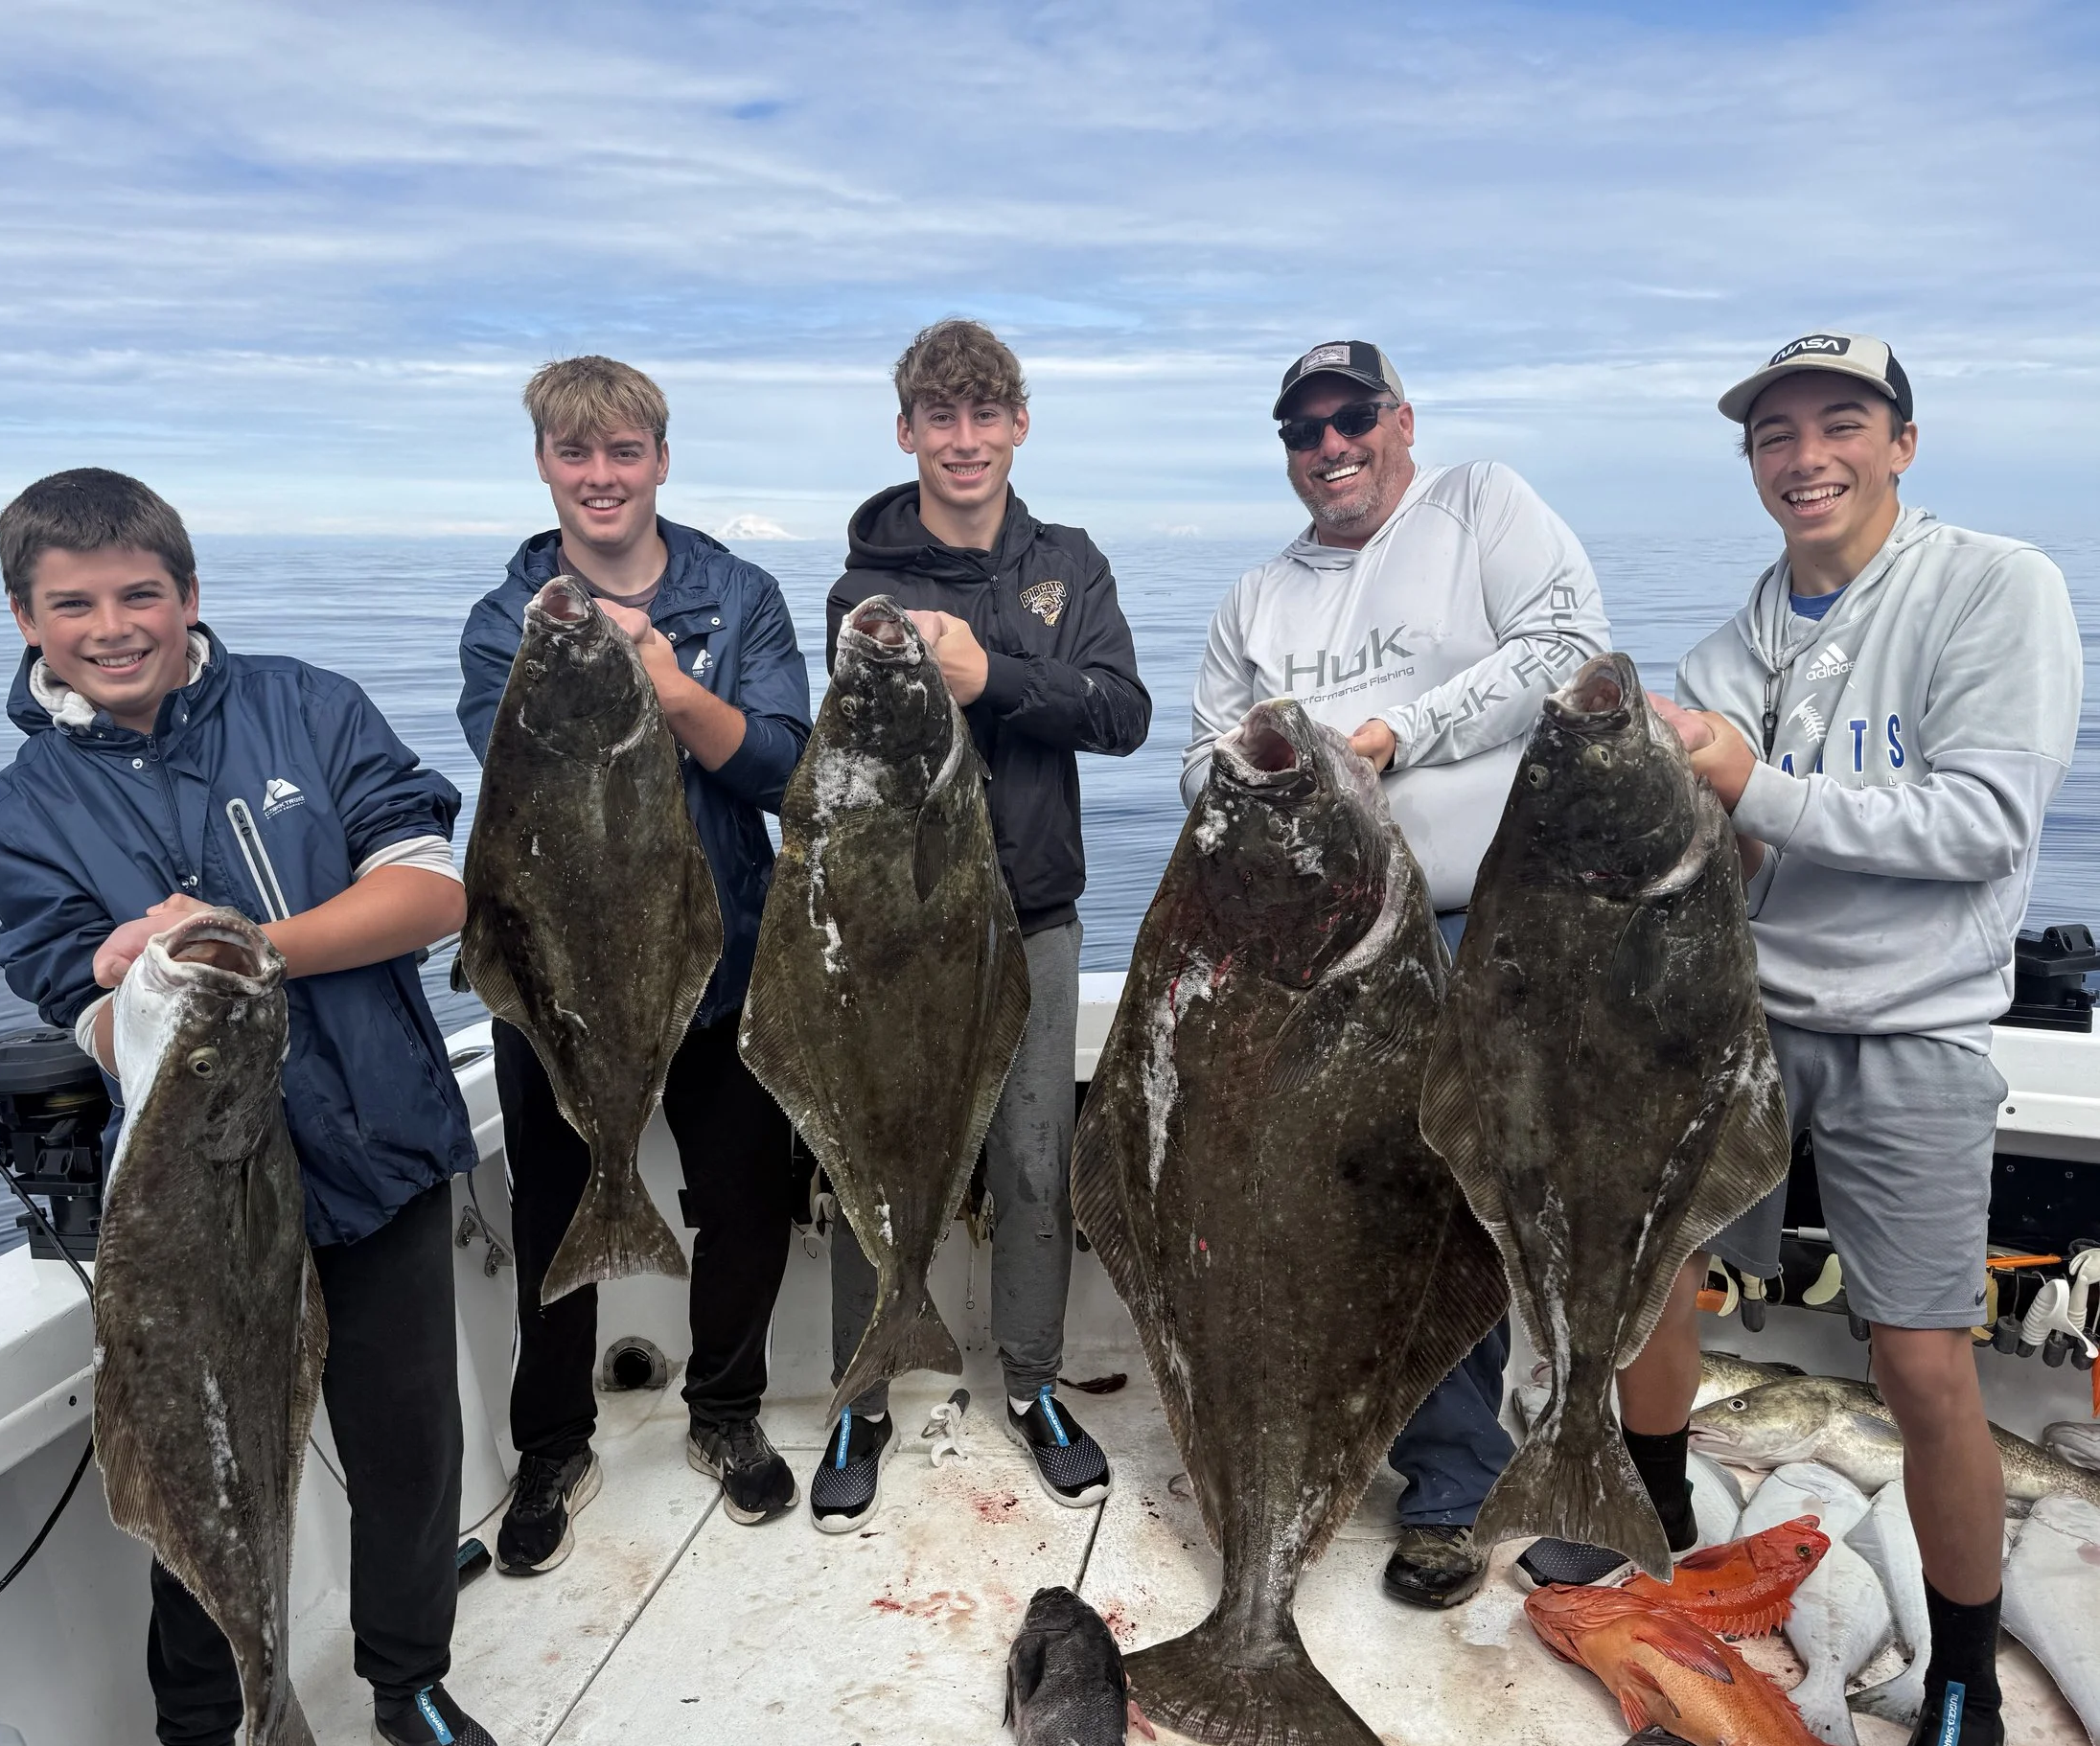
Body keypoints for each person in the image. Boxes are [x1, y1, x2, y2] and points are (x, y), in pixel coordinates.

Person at [0, 469, 506, 1746]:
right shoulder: (20, 807)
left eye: (139, 591)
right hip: (188, 1199)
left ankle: (409, 1676)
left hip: (374, 1147)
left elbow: (431, 886)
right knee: (199, 1463)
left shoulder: (309, 706)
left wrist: (243, 945)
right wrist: (131, 987)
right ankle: (210, 1727)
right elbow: (75, 1009)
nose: (112, 623)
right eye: (73, 601)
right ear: (27, 618)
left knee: (406, 1438)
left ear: (188, 594)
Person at [1617, 333, 2080, 1746]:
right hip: (1740, 1020)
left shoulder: (1996, 588)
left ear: (1903, 442)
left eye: (1839, 424)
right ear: (1750, 462)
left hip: (1913, 1027)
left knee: (1924, 1354)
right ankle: (1648, 1545)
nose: (1805, 454)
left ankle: (1964, 1681)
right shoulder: (1732, 642)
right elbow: (1711, 827)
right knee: (1648, 1281)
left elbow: (1982, 824)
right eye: (1774, 435)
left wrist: (1756, 787)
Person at [1183, 339, 1612, 1608]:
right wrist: (1267, 772)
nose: (1330, 446)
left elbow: (1570, 646)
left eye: (1350, 417)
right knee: (1322, 1205)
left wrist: (1390, 735)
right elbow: (1203, 778)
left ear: (1400, 420)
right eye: (1303, 430)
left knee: (1456, 1199)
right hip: (1311, 954)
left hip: (1481, 926)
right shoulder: (1254, 595)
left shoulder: (1479, 505)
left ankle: (1452, 1479)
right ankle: (1326, 1438)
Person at [457, 356, 813, 1566]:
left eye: (623, 452)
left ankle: (724, 1412)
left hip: (719, 966)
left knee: (745, 1202)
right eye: (574, 453)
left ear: (660, 459)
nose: (599, 476)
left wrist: (666, 686)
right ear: (545, 466)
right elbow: (514, 776)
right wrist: (593, 668)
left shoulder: (743, 595)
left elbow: (784, 768)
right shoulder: (502, 622)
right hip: (557, 974)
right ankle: (552, 1443)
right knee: (552, 1206)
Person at [811, 318, 1150, 1532]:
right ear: (906, 432)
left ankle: (1035, 1381)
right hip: (902, 934)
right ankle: (864, 1388)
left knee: (1034, 1163)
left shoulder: (1070, 562)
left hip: (1039, 913)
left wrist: (992, 677)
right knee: (877, 1157)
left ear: (1018, 423)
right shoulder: (863, 586)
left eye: (984, 414)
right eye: (939, 417)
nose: (964, 440)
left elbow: (1122, 713)